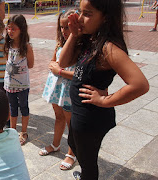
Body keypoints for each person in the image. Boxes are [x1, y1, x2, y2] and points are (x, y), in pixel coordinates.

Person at [59, 0, 149, 179]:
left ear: (106, 18)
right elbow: (63, 62)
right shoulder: (89, 39)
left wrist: (104, 100)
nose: (81, 18)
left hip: (91, 119)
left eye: (88, 14)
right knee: (73, 144)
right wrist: (74, 35)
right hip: (79, 113)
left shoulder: (107, 47)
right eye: (81, 12)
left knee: (88, 162)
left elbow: (140, 84)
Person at [39, 9, 77, 171]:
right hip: (56, 88)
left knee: (71, 123)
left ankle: (72, 153)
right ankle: (55, 144)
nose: (64, 31)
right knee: (58, 117)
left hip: (68, 90)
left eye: (67, 27)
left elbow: (79, 74)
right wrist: (53, 66)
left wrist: (59, 70)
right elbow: (53, 61)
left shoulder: (80, 46)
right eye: (61, 27)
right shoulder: (60, 44)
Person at [4, 14, 35, 146]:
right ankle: (12, 131)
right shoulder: (7, 45)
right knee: (12, 108)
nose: (10, 31)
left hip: (22, 85)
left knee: (23, 107)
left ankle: (23, 131)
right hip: (9, 84)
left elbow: (31, 64)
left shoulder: (26, 47)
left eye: (13, 29)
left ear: (21, 29)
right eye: (8, 28)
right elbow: (7, 61)